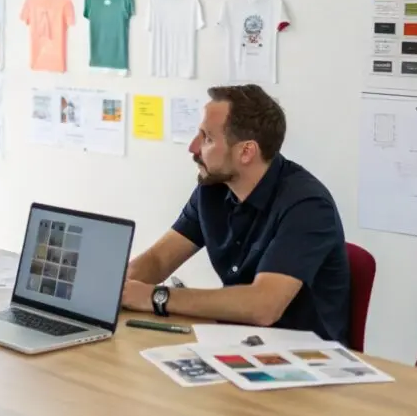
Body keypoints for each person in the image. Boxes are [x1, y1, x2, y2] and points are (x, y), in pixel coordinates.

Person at [121, 84, 350, 343]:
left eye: (207, 138)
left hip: (305, 360)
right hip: (238, 343)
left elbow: (263, 306)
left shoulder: (308, 205)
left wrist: (155, 297)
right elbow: (160, 259)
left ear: (246, 152)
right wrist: (110, 291)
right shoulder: (213, 189)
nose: (193, 148)